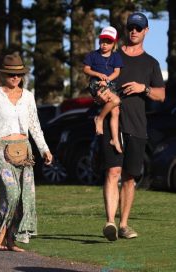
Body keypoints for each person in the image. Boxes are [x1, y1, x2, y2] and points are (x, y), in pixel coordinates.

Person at [98, 12, 165, 241]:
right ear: (126, 30)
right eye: (131, 28)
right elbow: (96, 83)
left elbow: (161, 95)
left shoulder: (151, 63)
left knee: (129, 177)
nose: (134, 31)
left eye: (139, 28)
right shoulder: (111, 57)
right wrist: (100, 93)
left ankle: (124, 224)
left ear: (146, 31)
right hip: (112, 123)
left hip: (137, 125)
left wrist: (142, 88)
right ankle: (110, 223)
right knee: (112, 171)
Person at [0, 52, 53, 252]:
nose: (15, 77)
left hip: (24, 150)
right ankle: (1, 233)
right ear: (3, 74)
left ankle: (11, 240)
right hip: (1, 149)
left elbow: (35, 125)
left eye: (19, 74)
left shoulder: (28, 97)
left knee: (24, 196)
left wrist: (44, 149)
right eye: (11, 74)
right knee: (12, 194)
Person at [83, 26, 123, 153]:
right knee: (116, 101)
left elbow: (117, 72)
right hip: (96, 84)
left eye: (108, 41)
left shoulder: (116, 57)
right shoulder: (93, 55)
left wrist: (107, 79)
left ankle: (115, 139)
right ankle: (99, 118)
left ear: (114, 44)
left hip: (109, 84)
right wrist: (98, 75)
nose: (104, 44)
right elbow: (86, 69)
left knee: (115, 111)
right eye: (102, 41)